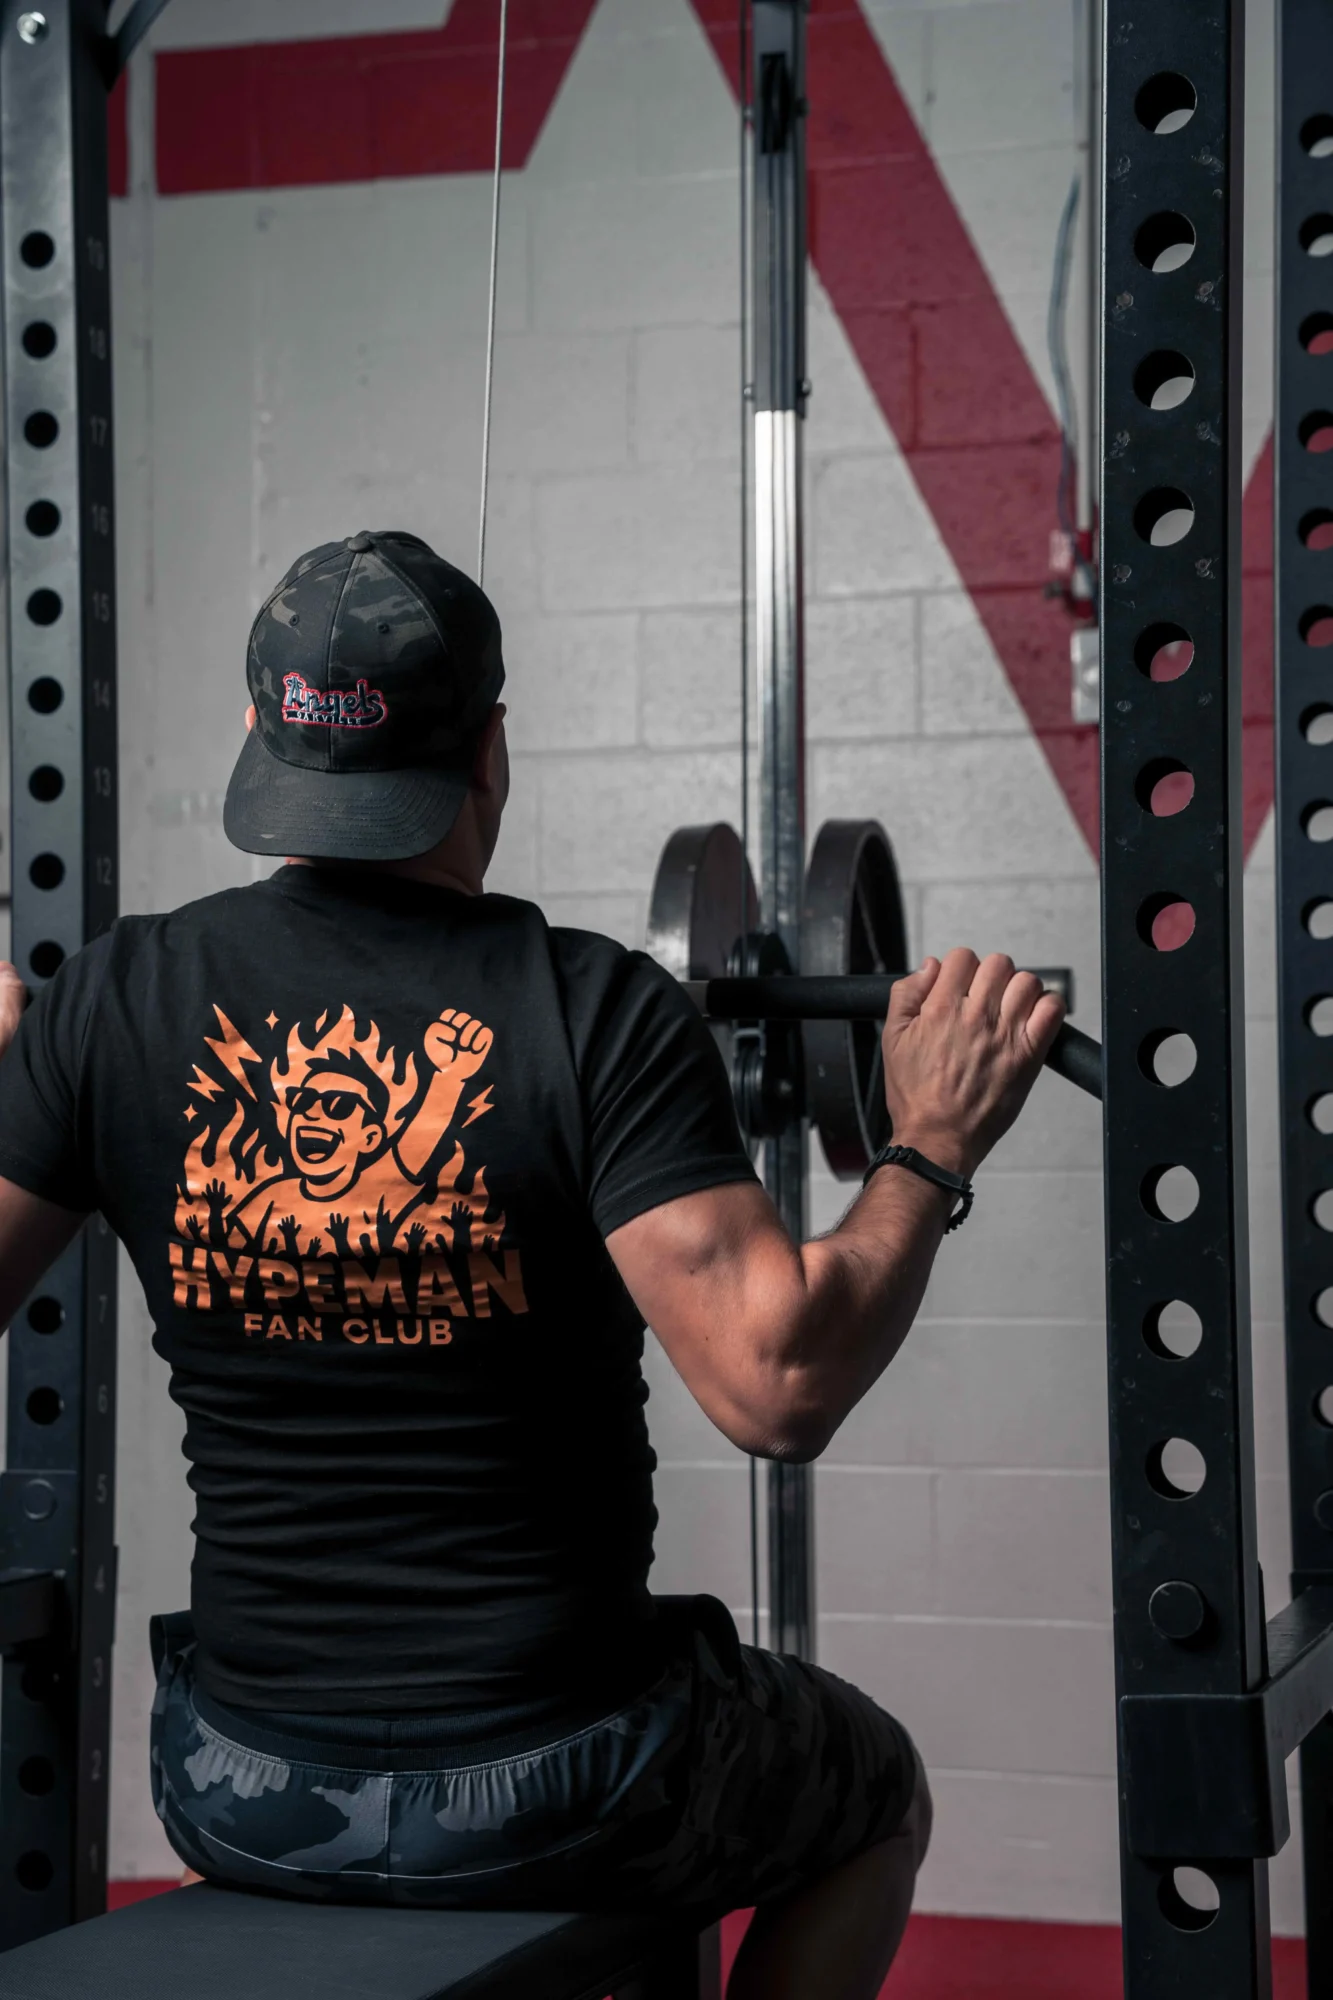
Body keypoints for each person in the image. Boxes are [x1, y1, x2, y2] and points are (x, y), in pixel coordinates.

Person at [0, 531, 1064, 2000]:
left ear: (261, 734)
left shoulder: (109, 1002)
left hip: (237, 1779)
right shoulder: (595, 1012)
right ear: (491, 750)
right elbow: (780, 1383)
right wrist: (930, 1141)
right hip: (570, 1779)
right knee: (876, 1788)